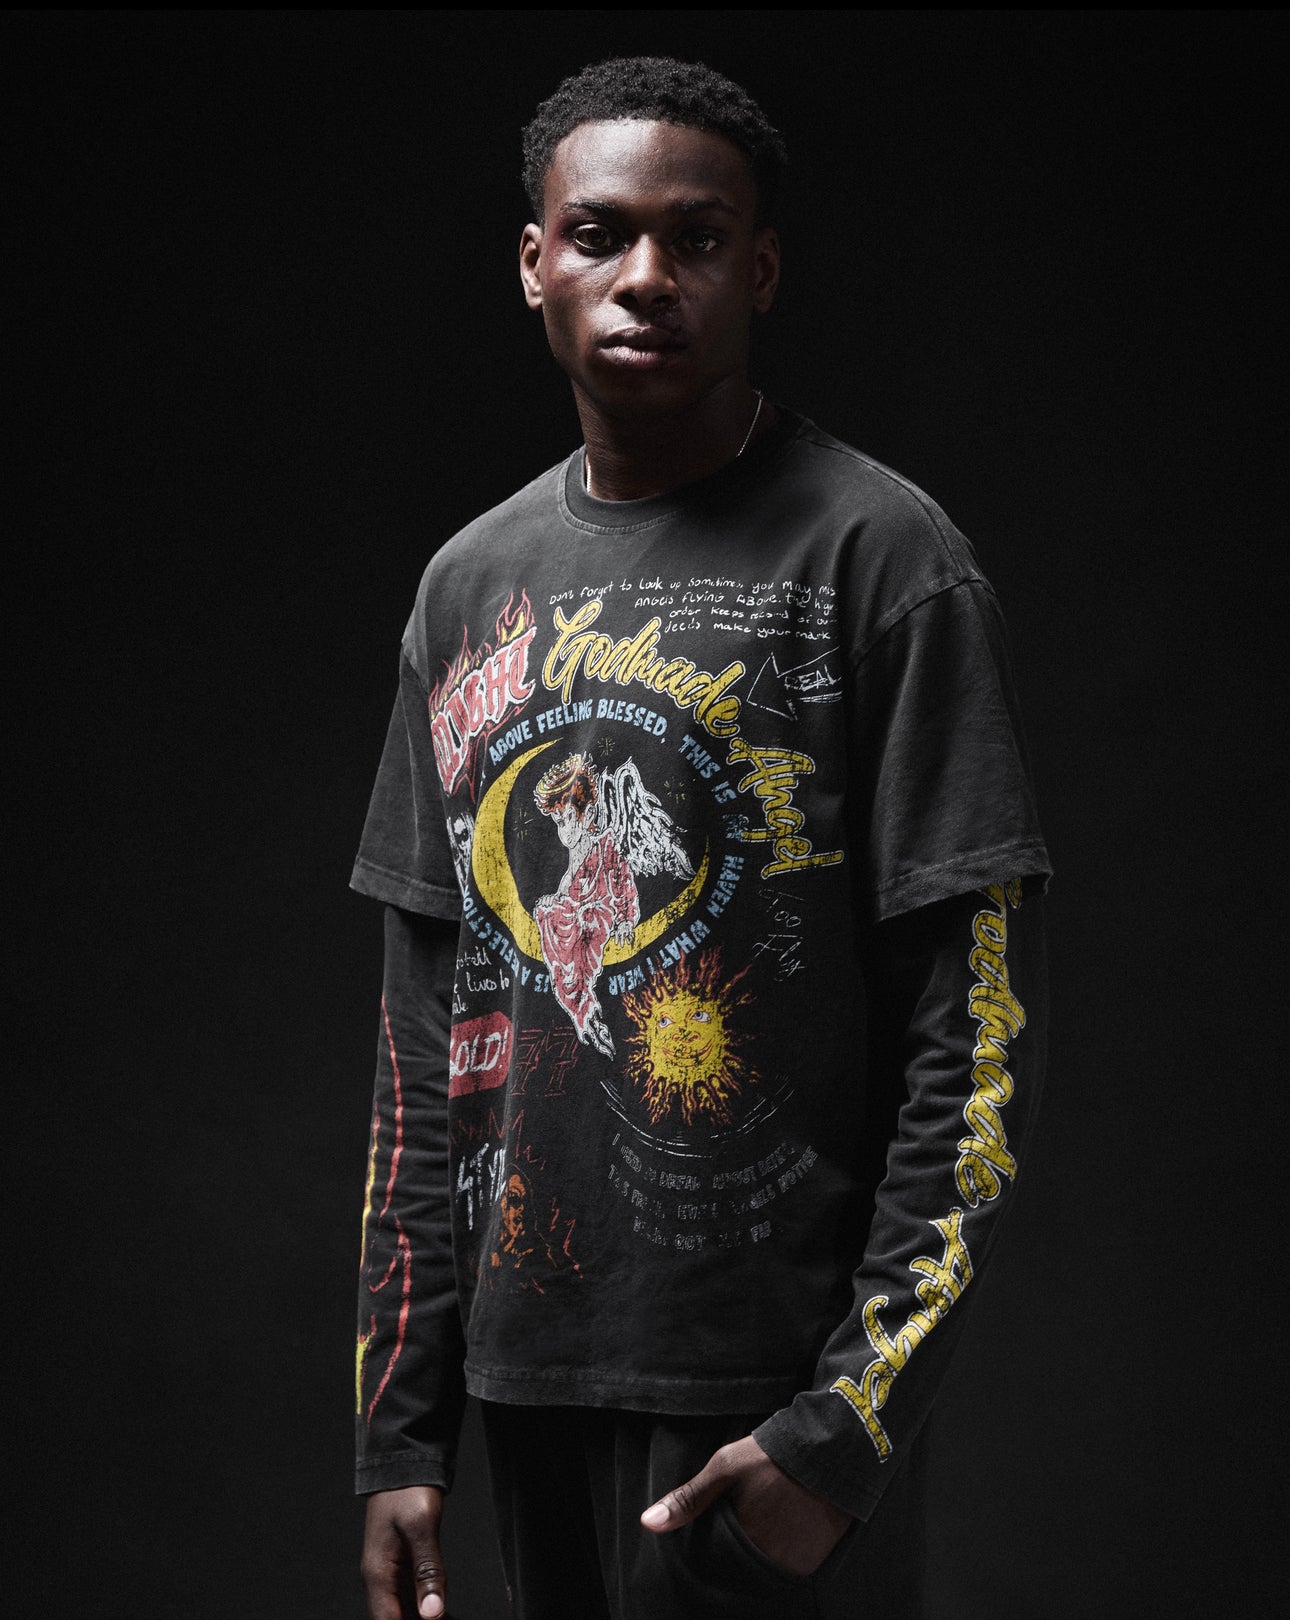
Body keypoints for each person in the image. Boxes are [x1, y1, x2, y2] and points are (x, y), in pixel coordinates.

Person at [352, 55, 1051, 1620]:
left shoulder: (884, 559)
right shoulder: (467, 587)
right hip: (528, 1383)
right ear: (534, 262)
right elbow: (422, 1037)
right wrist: (400, 1429)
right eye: (600, 234)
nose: (646, 276)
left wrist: (847, 1425)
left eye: (698, 238)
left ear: (762, 270)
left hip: (766, 1401)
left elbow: (974, 1030)